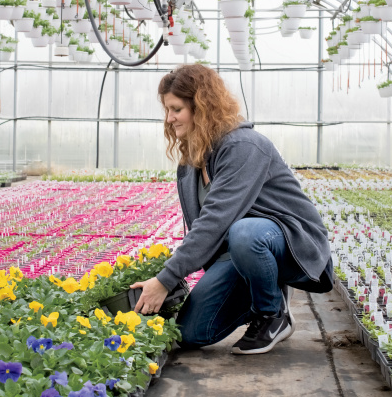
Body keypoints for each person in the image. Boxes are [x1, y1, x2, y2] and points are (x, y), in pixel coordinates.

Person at [131, 64, 334, 355]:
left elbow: (215, 221)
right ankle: (259, 288)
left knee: (245, 233)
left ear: (200, 106)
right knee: (191, 333)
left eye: (176, 109)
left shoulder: (244, 146)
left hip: (291, 246)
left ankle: (272, 312)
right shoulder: (192, 160)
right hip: (238, 255)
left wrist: (165, 279)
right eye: (167, 109)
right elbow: (200, 224)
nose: (169, 118)